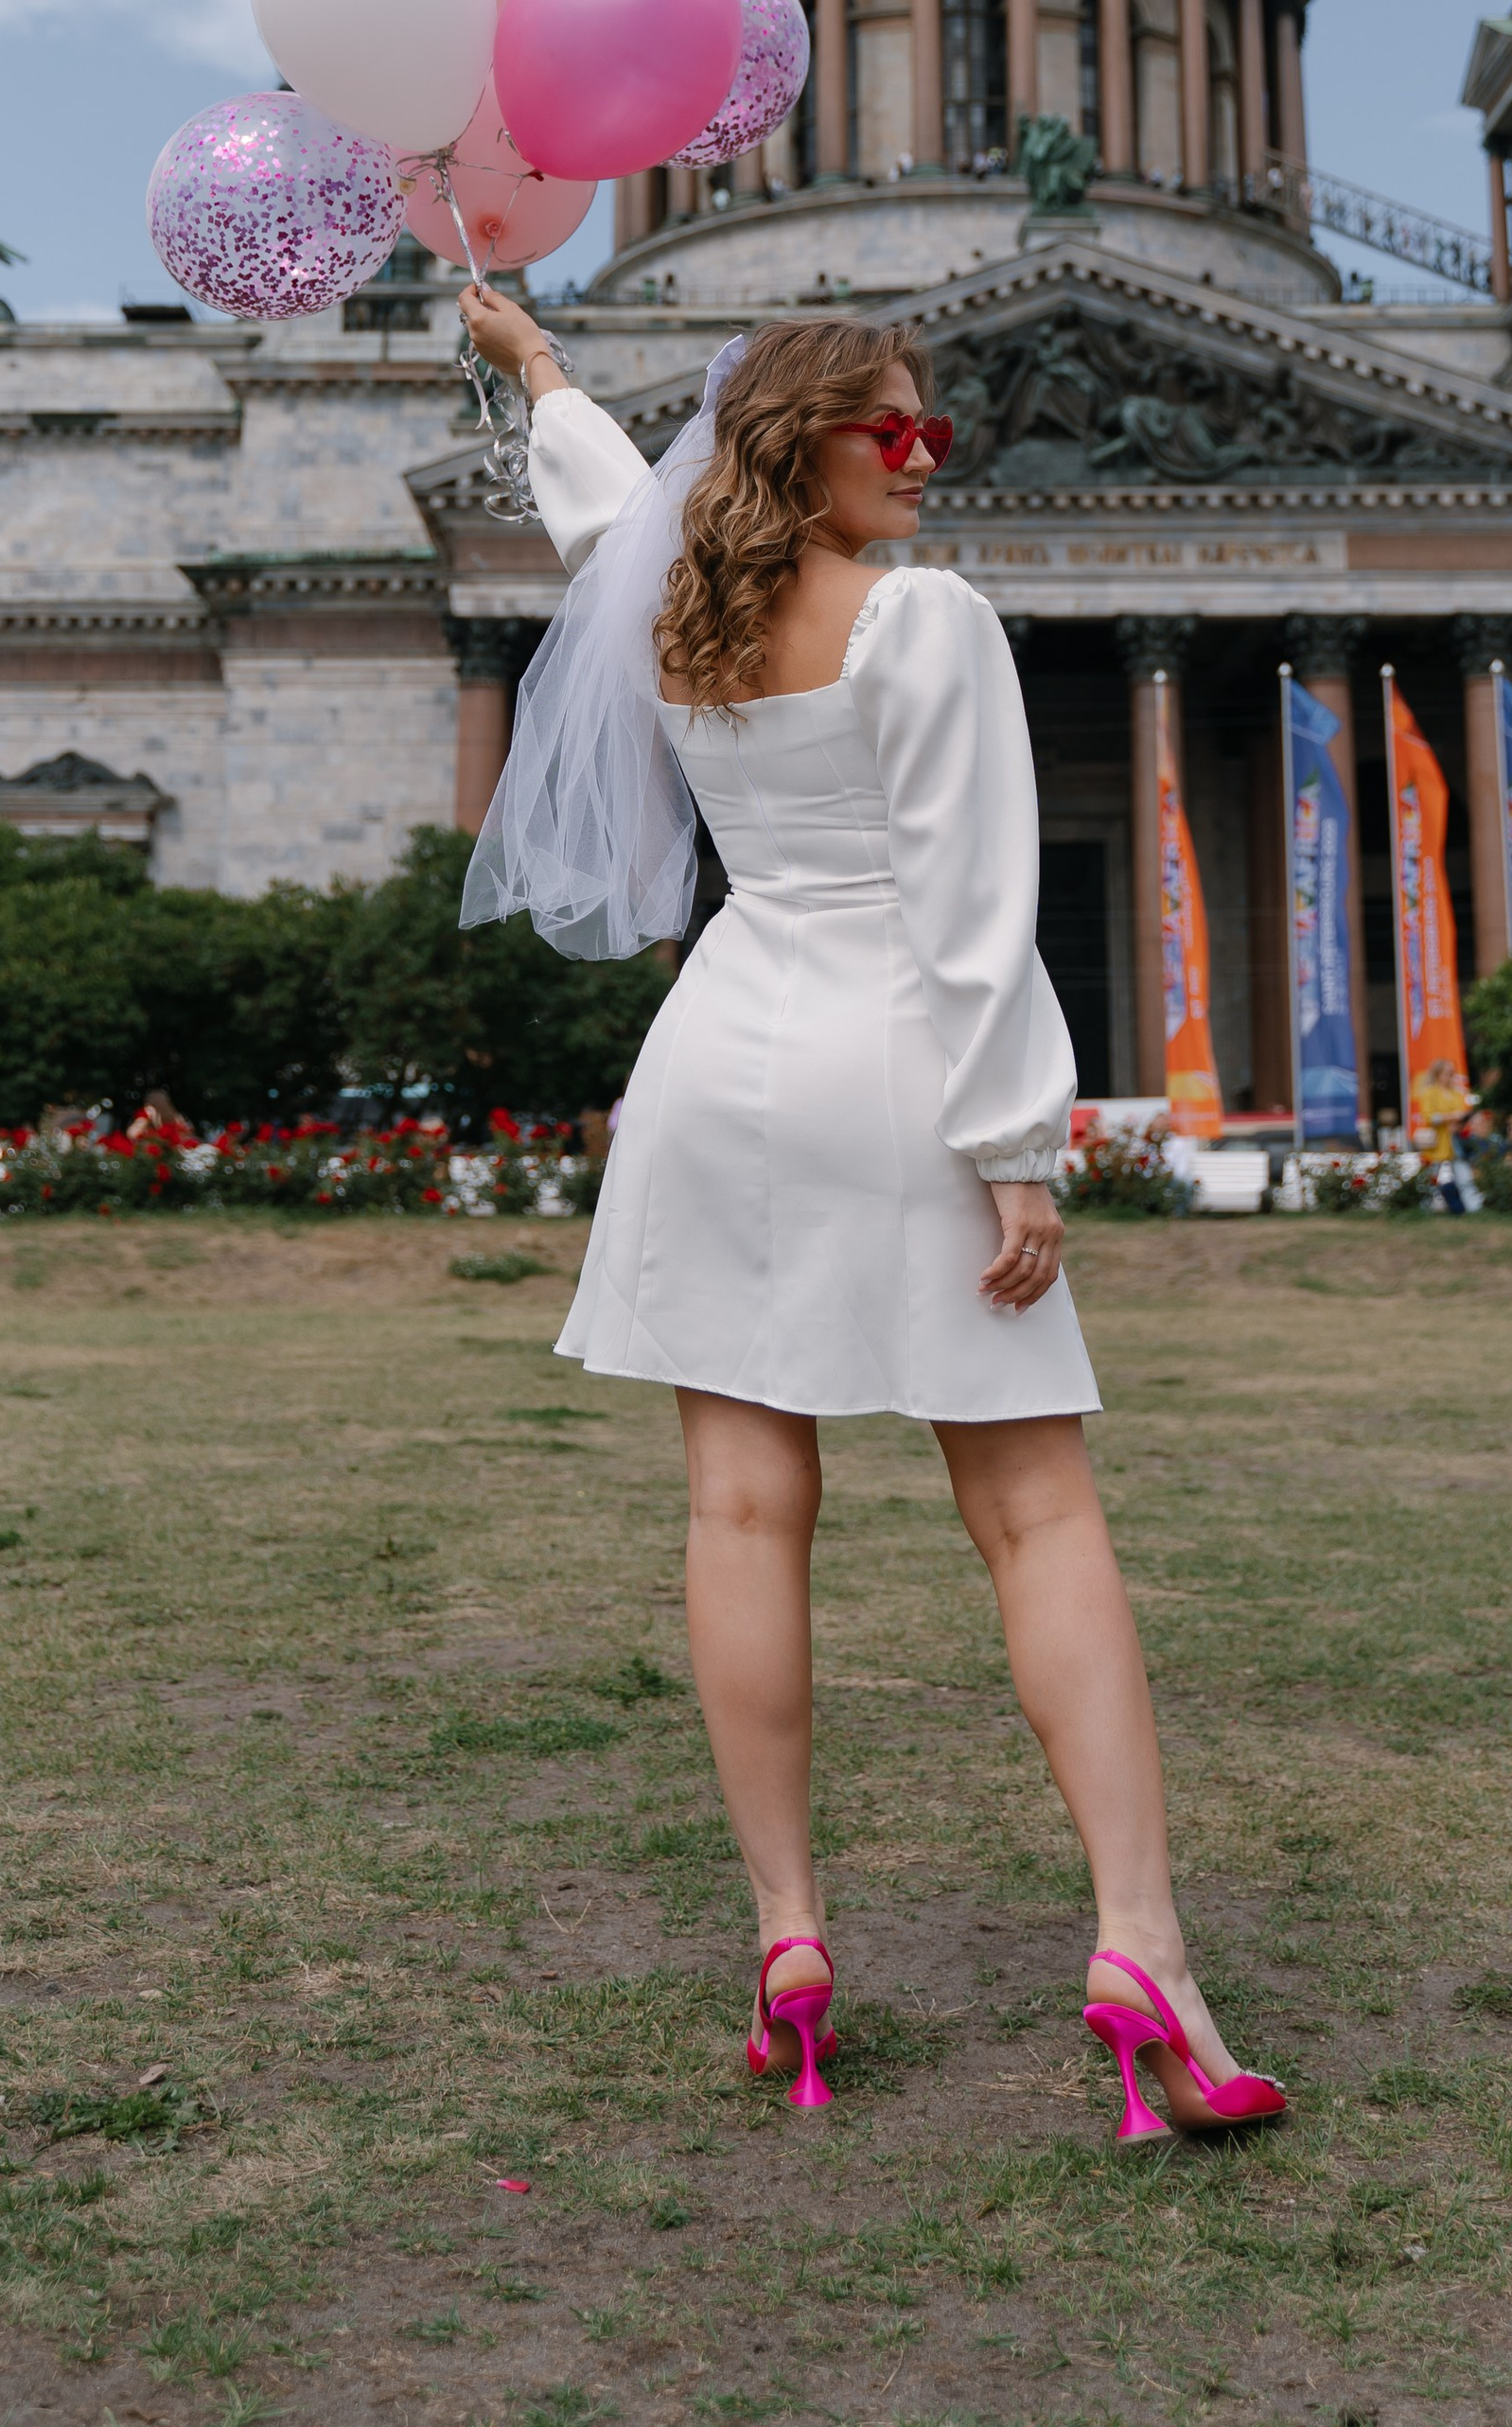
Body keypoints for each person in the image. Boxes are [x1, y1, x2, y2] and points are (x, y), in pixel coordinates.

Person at [457, 286, 1284, 2148]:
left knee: (742, 1508)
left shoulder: (671, 596)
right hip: (895, 1059)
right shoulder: (922, 618)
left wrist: (535, 368)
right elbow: (973, 907)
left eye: (927, 430)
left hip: (717, 1055)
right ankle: (1138, 1943)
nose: (925, 458)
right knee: (1037, 1513)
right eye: (889, 431)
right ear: (800, 446)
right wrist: (1018, 1151)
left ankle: (785, 1936)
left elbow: (592, 493)